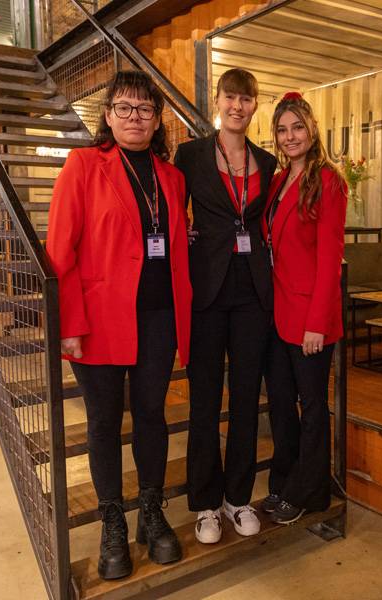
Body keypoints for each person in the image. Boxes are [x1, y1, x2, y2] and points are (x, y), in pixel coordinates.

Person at [47, 70, 192, 580]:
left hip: (158, 320)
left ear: (157, 120)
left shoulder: (171, 178)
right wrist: (68, 322)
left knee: (152, 415)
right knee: (105, 422)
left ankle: (151, 514)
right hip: (99, 321)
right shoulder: (84, 165)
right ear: (108, 116)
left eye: (146, 109)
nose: (136, 117)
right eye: (125, 108)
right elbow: (60, 250)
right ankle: (113, 519)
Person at [174, 68, 277, 543]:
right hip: (206, 292)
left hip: (253, 292)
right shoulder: (190, 155)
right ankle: (205, 504)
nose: (238, 106)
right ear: (217, 101)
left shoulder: (268, 162)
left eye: (246, 99)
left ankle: (238, 498)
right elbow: (173, 214)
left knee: (244, 400)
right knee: (204, 401)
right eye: (230, 97)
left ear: (256, 105)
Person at [260, 92, 346, 524]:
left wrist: (316, 323)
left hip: (311, 318)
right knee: (279, 404)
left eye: (297, 127)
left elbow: (330, 258)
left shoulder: (328, 180)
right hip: (278, 315)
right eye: (282, 129)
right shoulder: (277, 182)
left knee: (312, 407)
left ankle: (311, 492)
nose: (290, 136)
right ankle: (285, 482)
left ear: (311, 130)